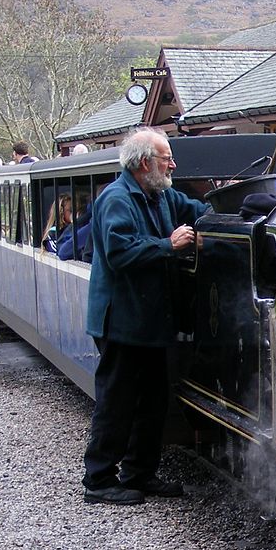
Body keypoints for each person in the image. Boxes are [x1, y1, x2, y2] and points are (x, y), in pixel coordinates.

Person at [81, 127, 209, 505]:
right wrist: (168, 245)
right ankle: (99, 479)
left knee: (153, 401)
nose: (172, 164)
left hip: (151, 322)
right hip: (122, 321)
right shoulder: (116, 200)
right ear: (143, 163)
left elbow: (198, 210)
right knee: (118, 401)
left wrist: (239, 207)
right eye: (166, 157)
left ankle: (139, 472)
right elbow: (120, 253)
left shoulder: (161, 194)